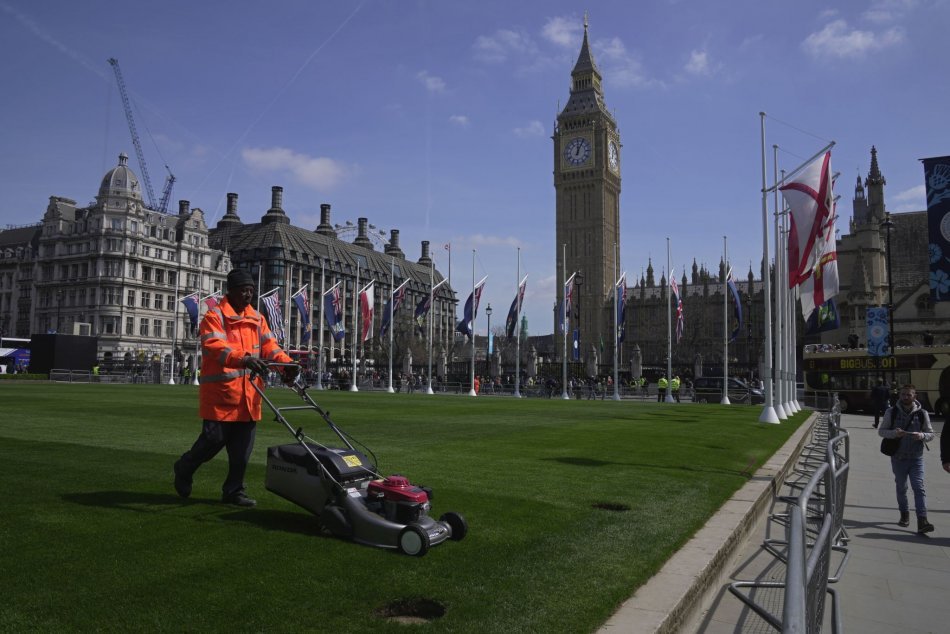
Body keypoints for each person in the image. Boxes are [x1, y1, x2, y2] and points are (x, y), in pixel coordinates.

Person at [173, 269, 296, 507]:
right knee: (209, 444)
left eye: (251, 290)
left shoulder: (258, 318)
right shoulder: (215, 316)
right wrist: (245, 358)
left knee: (241, 453)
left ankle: (233, 491)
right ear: (231, 291)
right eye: (244, 290)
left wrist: (287, 365)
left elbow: (271, 347)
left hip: (250, 397)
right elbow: (214, 346)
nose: (248, 294)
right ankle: (184, 467)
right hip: (221, 396)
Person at [878, 384, 935, 534]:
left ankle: (922, 520)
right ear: (899, 396)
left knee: (919, 487)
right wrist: (894, 434)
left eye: (908, 395)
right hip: (899, 458)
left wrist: (922, 435)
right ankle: (904, 514)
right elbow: (881, 431)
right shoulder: (892, 412)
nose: (905, 397)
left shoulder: (922, 413)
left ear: (914, 397)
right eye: (903, 394)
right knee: (901, 488)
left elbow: (931, 434)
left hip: (917, 458)